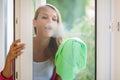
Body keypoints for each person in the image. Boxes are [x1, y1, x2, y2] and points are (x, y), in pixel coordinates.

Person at [0, 4, 62, 80]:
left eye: (54, 19)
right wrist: (9, 58)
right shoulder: (21, 46)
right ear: (34, 22)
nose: (50, 21)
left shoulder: (59, 52)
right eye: (44, 17)